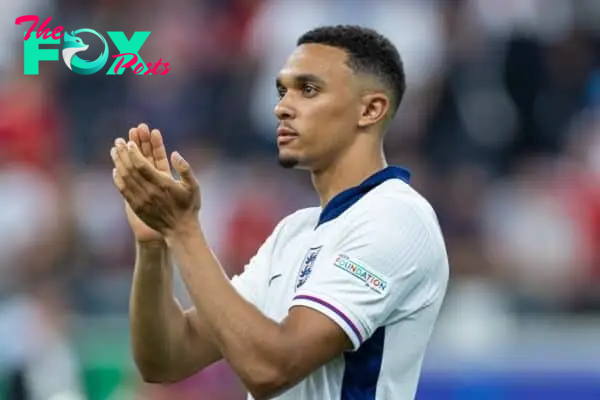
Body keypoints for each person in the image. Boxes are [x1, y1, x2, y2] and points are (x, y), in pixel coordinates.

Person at [110, 25, 449, 400]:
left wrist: (184, 231)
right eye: (282, 90)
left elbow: (270, 369)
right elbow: (167, 359)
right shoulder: (295, 232)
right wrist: (155, 244)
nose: (282, 107)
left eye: (308, 89)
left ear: (370, 109)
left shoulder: (395, 216)